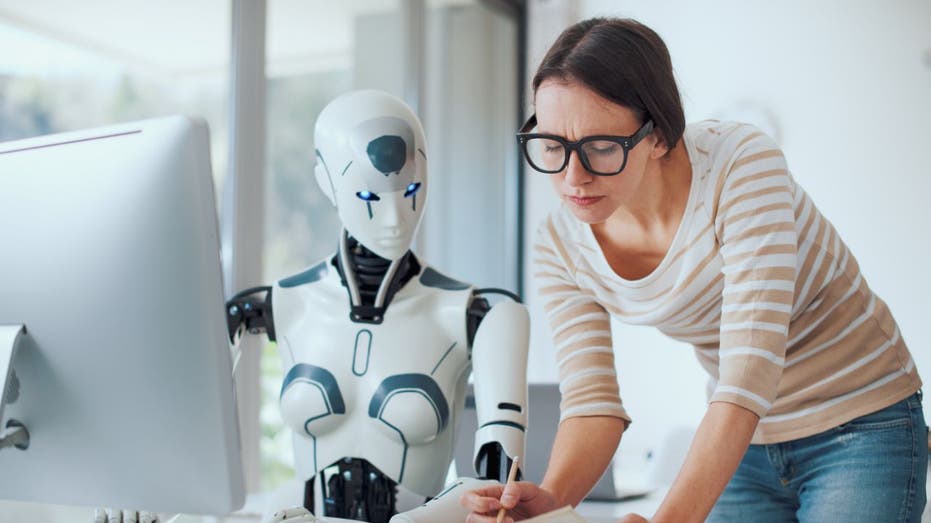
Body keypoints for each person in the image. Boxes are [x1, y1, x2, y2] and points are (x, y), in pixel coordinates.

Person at [461, 17, 926, 523]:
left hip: (859, 420)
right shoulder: (560, 244)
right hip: (747, 442)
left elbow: (749, 368)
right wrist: (552, 499)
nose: (573, 177)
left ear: (658, 134)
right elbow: (593, 405)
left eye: (600, 147)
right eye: (552, 146)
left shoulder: (740, 165)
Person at [226, 90, 531, 523]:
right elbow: (186, 443)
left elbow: (502, 489)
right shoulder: (282, 303)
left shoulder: (479, 313)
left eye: (411, 190)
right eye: (369, 197)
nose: (395, 218)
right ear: (326, 182)